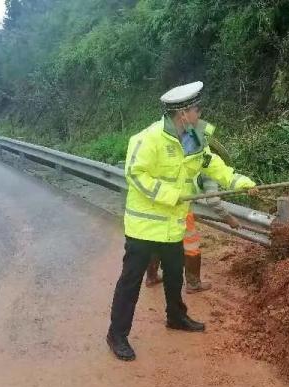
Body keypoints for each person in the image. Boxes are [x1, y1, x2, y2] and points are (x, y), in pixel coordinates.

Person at [106, 81, 256, 361]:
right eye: (197, 109)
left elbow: (214, 166)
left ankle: (176, 317)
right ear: (183, 113)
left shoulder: (195, 138)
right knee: (131, 281)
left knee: (174, 277)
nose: (200, 113)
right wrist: (171, 195)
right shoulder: (148, 139)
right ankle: (117, 334)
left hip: (173, 226)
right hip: (145, 227)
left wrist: (241, 182)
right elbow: (135, 174)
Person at [144, 134, 241, 293]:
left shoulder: (178, 160)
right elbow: (214, 202)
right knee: (191, 246)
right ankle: (193, 283)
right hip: (179, 210)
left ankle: (151, 277)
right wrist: (229, 219)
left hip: (159, 205)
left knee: (157, 241)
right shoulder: (208, 170)